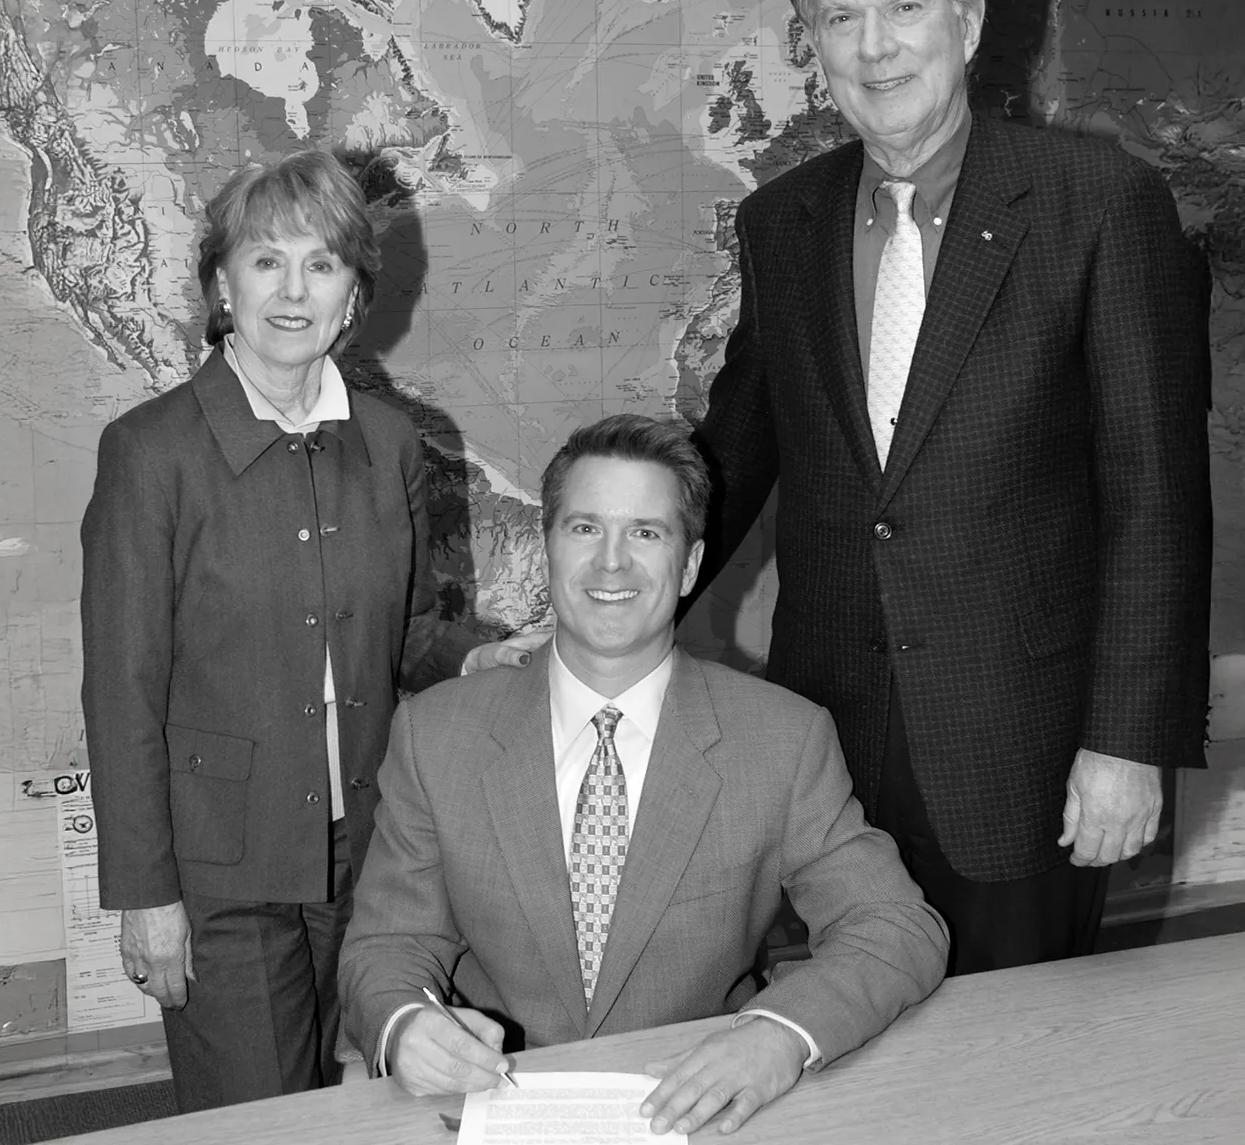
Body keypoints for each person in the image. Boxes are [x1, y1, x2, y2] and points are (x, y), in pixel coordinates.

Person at [691, 0, 1211, 975]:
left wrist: (1125, 742)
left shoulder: (1097, 204)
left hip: (1022, 755)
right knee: (842, 1056)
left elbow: (1155, 497)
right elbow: (732, 457)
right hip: (825, 746)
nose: (873, 47)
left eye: (904, 8)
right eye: (841, 18)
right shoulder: (780, 222)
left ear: (968, 22)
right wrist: (601, 612)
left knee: (1009, 1075)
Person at [80, 150, 544, 1111]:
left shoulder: (389, 441)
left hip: (370, 856)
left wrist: (477, 655)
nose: (293, 291)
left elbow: (408, 630)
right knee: (259, 1121)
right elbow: (120, 689)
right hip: (220, 870)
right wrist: (143, 897)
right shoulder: (149, 453)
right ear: (222, 283)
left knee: (373, 1105)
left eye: (322, 264)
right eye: (265, 261)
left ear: (353, 293)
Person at [338, 414, 948, 1137]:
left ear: (688, 566)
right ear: (549, 547)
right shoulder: (437, 734)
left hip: (693, 1107)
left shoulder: (781, 737)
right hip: (492, 1109)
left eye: (647, 534)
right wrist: (406, 1025)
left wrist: (779, 1036)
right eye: (586, 529)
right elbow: (386, 947)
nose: (612, 564)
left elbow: (896, 926)